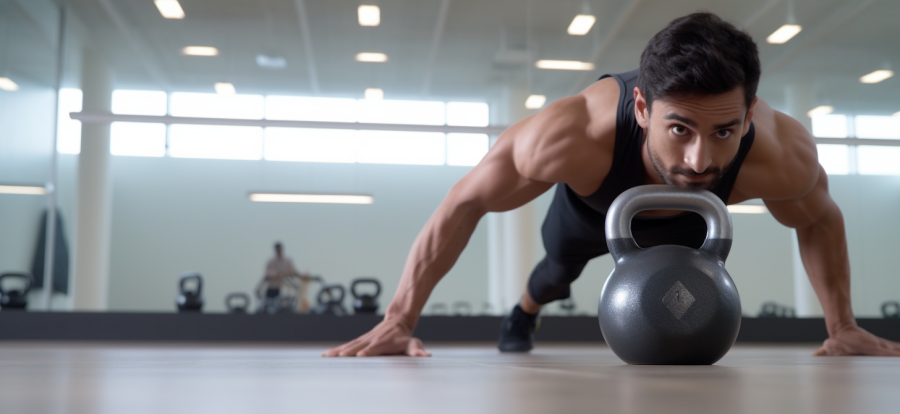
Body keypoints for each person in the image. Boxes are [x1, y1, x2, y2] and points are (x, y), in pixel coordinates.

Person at [324, 12, 900, 358]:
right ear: (644, 108)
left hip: (690, 229)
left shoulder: (783, 154)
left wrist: (842, 326)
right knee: (556, 272)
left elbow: (821, 218)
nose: (701, 160)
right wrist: (399, 319)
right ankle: (524, 312)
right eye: (680, 128)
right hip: (590, 207)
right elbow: (464, 202)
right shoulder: (570, 136)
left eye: (724, 130)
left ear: (749, 117)